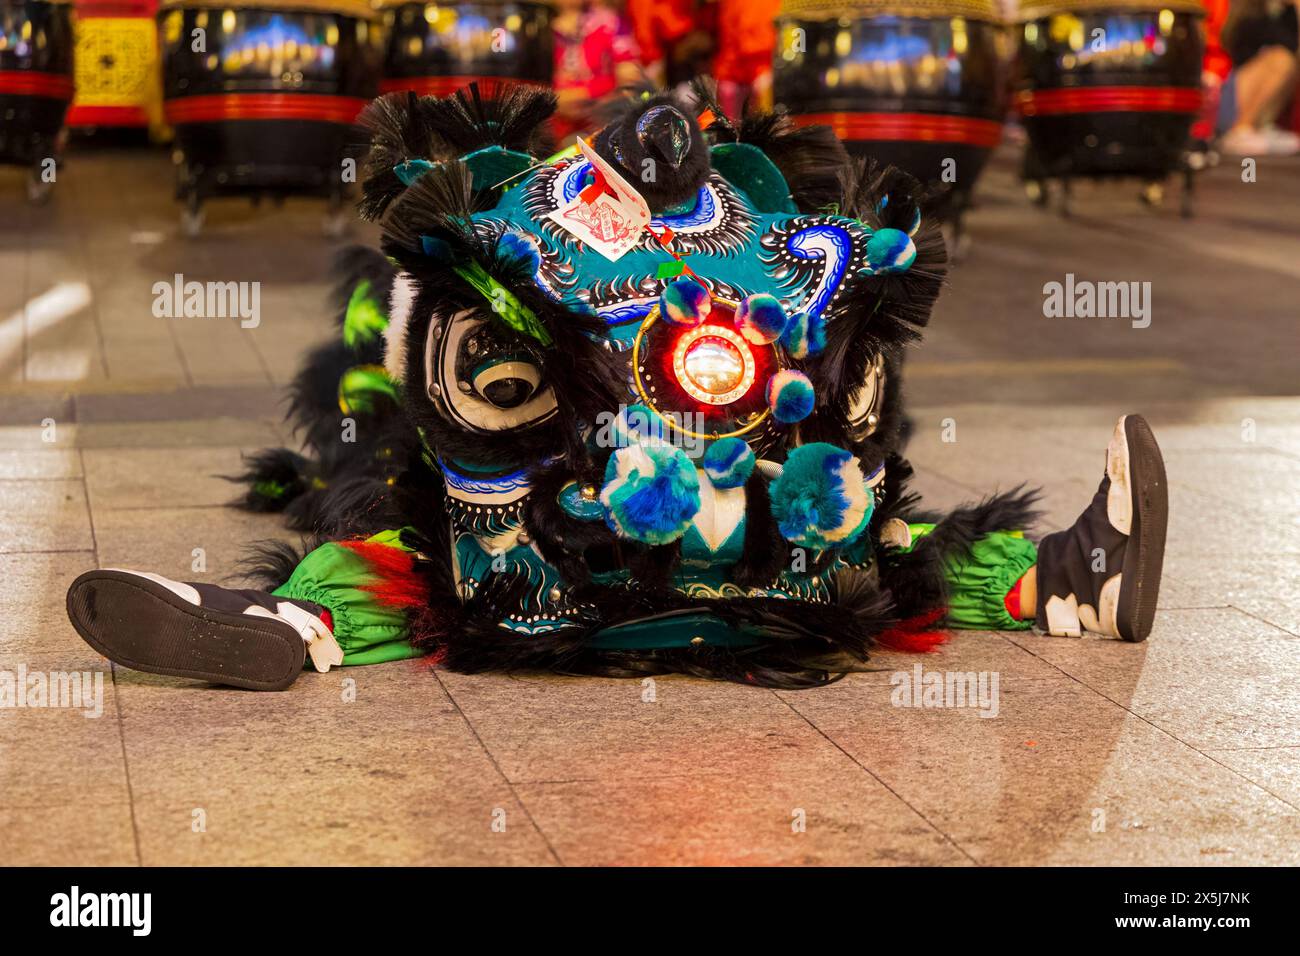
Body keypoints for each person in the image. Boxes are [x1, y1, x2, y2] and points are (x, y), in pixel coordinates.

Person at [64, 83, 1170, 690]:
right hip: (638, 575)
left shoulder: (755, 268)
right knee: (407, 544)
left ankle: (1068, 577)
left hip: (700, 570)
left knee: (884, 530)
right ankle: (281, 620)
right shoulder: (558, 265)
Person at [552, 0, 644, 142]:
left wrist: (587, 94)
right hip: (555, 130)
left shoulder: (611, 24)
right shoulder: (541, 26)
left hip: (603, 127)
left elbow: (631, 81)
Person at [1219, 0, 1300, 154]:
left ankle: (1254, 129)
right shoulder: (1251, 15)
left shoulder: (1285, 15)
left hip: (1241, 99)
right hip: (1225, 96)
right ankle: (1241, 129)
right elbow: (1288, 45)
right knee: (1281, 60)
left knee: (1289, 65)